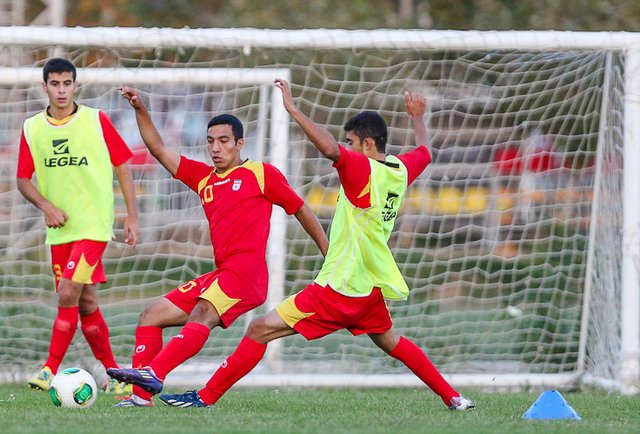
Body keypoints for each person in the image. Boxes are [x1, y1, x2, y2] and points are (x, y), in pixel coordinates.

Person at [138, 78, 475, 410]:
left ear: (368, 145)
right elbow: (426, 153)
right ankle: (454, 397)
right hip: (370, 284)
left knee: (258, 330)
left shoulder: (361, 169)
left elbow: (328, 149)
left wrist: (293, 110)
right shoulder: (399, 170)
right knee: (392, 341)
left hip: (338, 287)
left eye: (352, 142)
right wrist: (417, 118)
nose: (348, 148)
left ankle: (204, 397)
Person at [106, 87, 328, 407]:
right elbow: (157, 148)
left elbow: (300, 209)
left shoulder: (261, 174)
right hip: (223, 273)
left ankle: (154, 373)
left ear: (240, 143)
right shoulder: (204, 178)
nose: (215, 147)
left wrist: (326, 250)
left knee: (203, 312)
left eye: (224, 141)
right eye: (210, 141)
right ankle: (141, 398)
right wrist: (140, 108)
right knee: (150, 316)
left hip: (247, 274)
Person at [16, 58, 140, 393]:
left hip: (93, 226)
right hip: (60, 230)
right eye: (54, 84)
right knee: (86, 303)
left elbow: (123, 165)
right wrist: (46, 205)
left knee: (67, 292)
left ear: (75, 85)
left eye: (66, 83)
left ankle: (48, 369)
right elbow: (23, 180)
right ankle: (118, 377)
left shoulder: (96, 120)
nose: (61, 90)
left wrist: (131, 215)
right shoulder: (32, 128)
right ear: (45, 87)